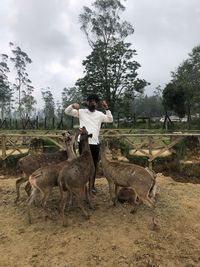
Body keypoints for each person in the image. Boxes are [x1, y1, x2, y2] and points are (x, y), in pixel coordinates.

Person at [65, 94, 113, 193]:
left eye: (94, 101)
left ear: (96, 103)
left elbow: (110, 119)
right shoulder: (81, 112)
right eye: (90, 101)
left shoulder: (99, 114)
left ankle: (92, 187)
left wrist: (107, 109)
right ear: (87, 102)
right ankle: (83, 186)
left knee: (93, 166)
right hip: (83, 143)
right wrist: (73, 105)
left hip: (95, 144)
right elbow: (67, 111)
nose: (92, 102)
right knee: (82, 165)